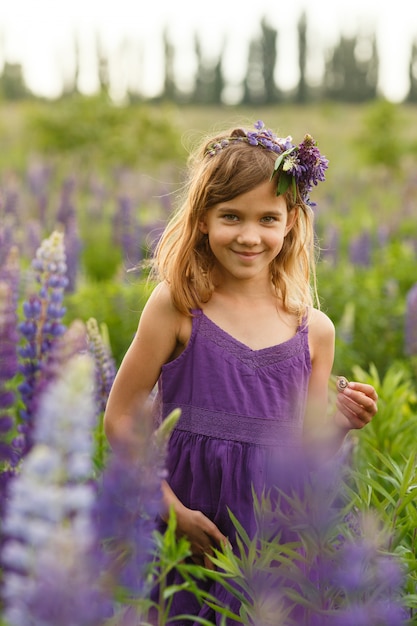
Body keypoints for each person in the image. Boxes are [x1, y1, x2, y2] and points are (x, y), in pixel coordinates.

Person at [104, 120, 378, 624]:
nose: (250, 236)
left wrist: (340, 423)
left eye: (267, 219)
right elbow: (120, 418)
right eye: (231, 216)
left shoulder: (314, 329)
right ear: (203, 219)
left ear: (291, 221)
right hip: (188, 526)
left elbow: (307, 452)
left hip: (275, 537)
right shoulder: (178, 307)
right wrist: (170, 510)